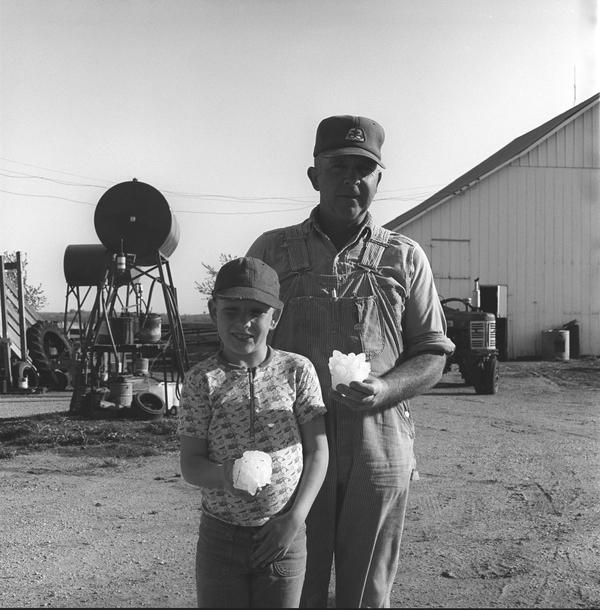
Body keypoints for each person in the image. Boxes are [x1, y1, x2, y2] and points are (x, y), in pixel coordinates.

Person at [246, 115, 456, 608]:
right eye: (338, 167)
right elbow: (243, 344)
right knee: (293, 587)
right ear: (314, 175)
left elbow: (431, 353)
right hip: (290, 448)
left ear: (379, 179)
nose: (351, 179)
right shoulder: (271, 251)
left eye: (364, 169)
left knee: (367, 596)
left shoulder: (405, 257)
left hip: (378, 448)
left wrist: (384, 389)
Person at [178, 256, 329, 608]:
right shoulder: (202, 380)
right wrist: (224, 476)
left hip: (284, 535)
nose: (243, 323)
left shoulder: (297, 371)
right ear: (214, 310)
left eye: (256, 312)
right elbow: (191, 464)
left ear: (274, 317)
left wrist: (295, 519)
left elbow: (318, 452)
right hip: (221, 538)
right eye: (231, 311)